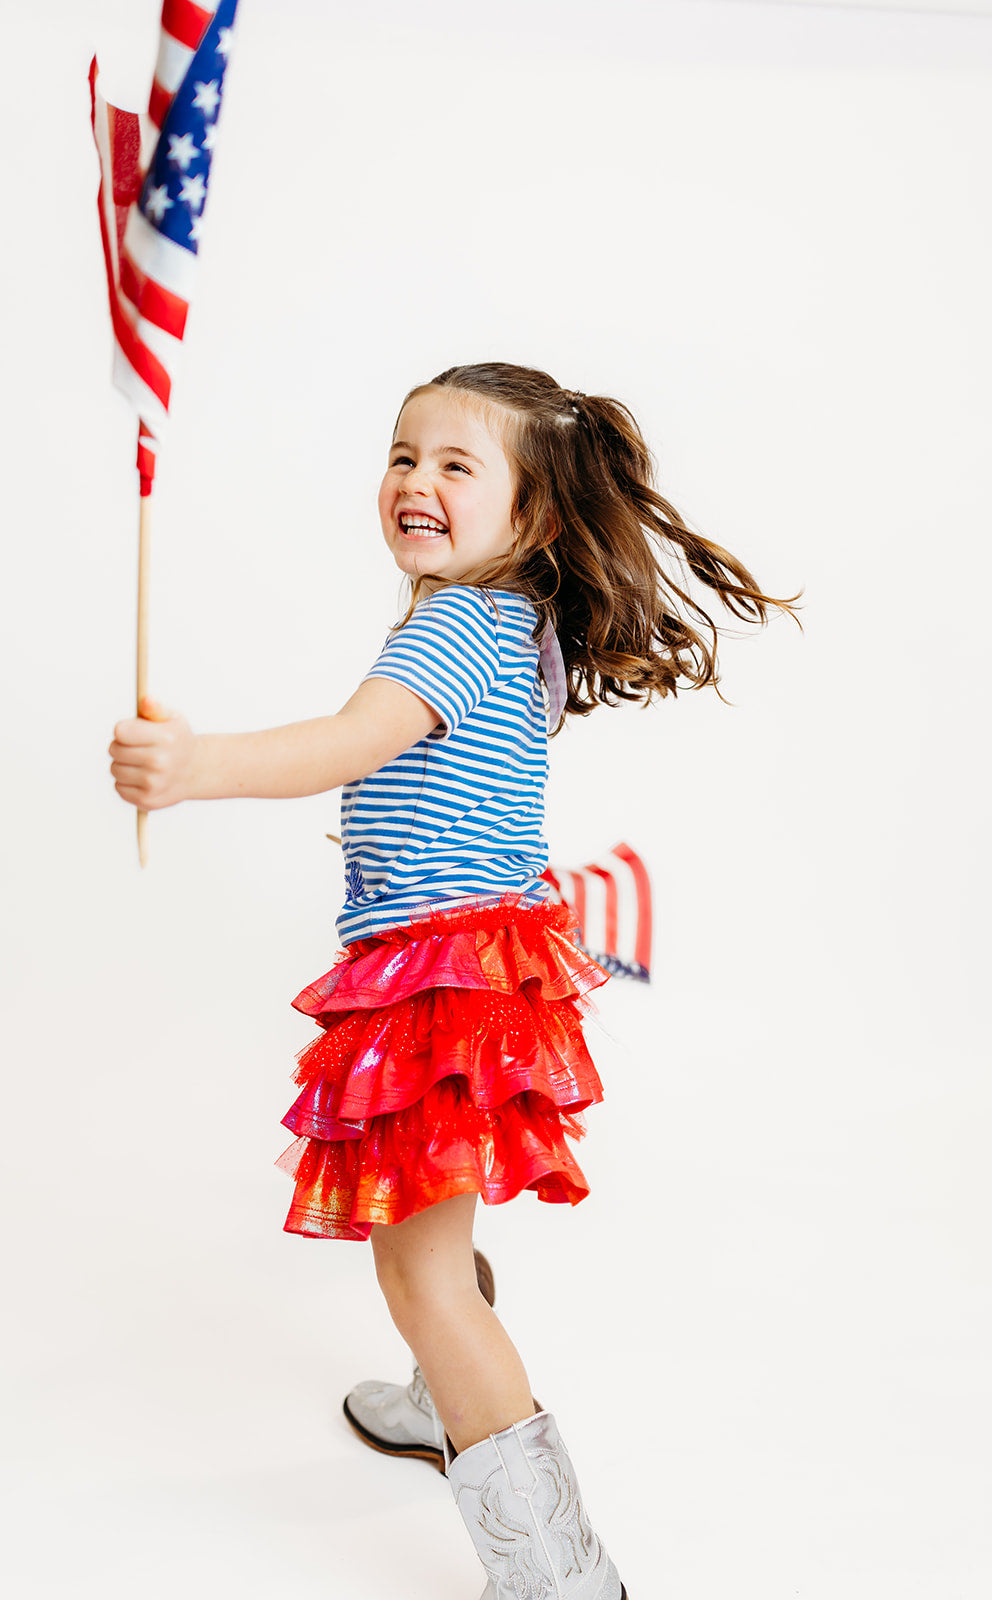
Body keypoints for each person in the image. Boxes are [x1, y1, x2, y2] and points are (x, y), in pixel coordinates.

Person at [110, 362, 798, 1599]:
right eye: (401, 455)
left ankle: (554, 1566)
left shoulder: (451, 624)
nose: (414, 481)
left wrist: (194, 764)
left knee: (416, 1266)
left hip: (442, 978)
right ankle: (444, 1393)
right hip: (478, 958)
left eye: (454, 464)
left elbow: (345, 744)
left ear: (531, 516)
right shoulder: (507, 617)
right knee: (432, 1207)